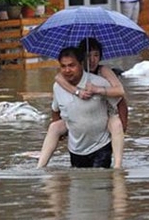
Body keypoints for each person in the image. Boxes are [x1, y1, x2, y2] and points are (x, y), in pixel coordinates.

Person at [37, 38, 127, 169]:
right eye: (88, 56)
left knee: (116, 123)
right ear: (83, 59)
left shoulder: (103, 73)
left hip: (104, 119)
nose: (92, 60)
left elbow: (121, 95)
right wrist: (78, 92)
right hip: (77, 126)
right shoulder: (61, 81)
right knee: (55, 127)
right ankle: (40, 167)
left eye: (96, 55)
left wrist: (97, 90)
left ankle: (118, 167)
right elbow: (57, 82)